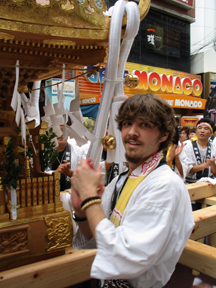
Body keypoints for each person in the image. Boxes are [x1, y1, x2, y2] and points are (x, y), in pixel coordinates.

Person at [71, 94, 194, 288]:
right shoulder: (122, 180)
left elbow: (125, 257)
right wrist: (81, 213)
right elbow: (99, 240)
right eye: (127, 123)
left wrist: (90, 199)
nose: (132, 132)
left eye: (145, 125)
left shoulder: (164, 185)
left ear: (163, 135)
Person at [183, 118, 216, 184]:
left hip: (209, 182)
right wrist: (206, 165)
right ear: (196, 131)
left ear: (211, 133)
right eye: (200, 128)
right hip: (190, 182)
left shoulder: (214, 146)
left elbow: (215, 172)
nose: (202, 131)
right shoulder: (187, 145)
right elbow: (187, 169)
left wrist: (212, 164)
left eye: (206, 129)